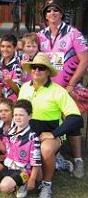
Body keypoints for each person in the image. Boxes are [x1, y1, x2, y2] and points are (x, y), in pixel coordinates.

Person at [19, 52, 83, 198]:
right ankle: (59, 164)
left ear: (48, 71)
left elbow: (76, 118)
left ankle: (47, 185)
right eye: (34, 67)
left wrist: (54, 134)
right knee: (36, 172)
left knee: (46, 150)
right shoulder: (24, 88)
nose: (37, 71)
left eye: (41, 68)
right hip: (29, 135)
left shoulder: (58, 91)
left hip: (50, 136)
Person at [37, 0, 88, 179]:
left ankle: (78, 159)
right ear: (45, 15)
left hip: (68, 88)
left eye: (56, 10)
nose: (52, 13)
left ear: (61, 13)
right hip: (46, 88)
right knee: (47, 119)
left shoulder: (74, 33)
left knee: (71, 121)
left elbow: (85, 60)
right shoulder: (40, 35)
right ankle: (56, 155)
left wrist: (72, 84)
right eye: (48, 10)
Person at [0, 99, 41, 198]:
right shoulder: (10, 132)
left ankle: (23, 183)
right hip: (10, 167)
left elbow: (36, 161)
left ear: (29, 116)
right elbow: (5, 149)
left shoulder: (32, 137)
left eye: (21, 115)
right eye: (16, 115)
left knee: (5, 187)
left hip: (24, 170)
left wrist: (32, 179)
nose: (18, 118)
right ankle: (14, 181)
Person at [0, 98, 15, 174]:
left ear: (12, 112)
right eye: (1, 111)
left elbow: (8, 149)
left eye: (6, 111)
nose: (3, 113)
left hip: (12, 156)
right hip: (2, 154)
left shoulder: (16, 127)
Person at [0, 34, 22, 102]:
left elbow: (18, 91)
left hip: (12, 104)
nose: (5, 49)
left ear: (15, 48)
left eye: (9, 47)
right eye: (3, 46)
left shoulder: (17, 66)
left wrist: (10, 82)